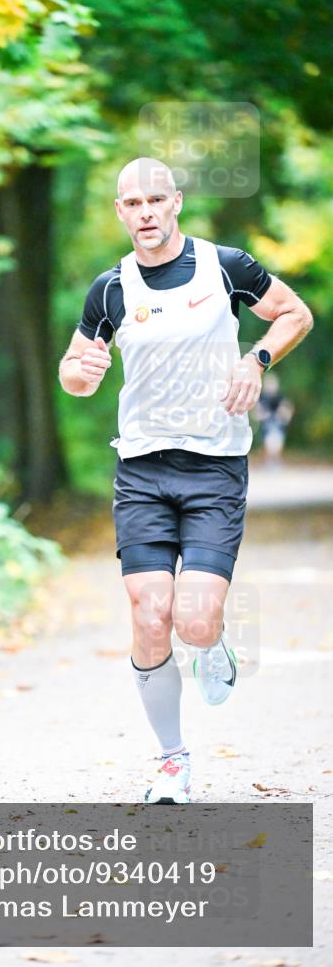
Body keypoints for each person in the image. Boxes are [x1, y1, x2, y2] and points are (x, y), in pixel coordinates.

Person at [58, 157, 314, 803]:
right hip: (142, 469)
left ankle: (211, 642)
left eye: (155, 200)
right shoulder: (110, 289)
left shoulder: (223, 266)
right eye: (132, 203)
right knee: (150, 614)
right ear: (120, 212)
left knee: (193, 621)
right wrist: (82, 373)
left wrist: (256, 359)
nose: (144, 212)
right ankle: (172, 761)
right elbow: (74, 371)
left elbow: (294, 314)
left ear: (174, 202)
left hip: (213, 467)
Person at [252, 372, 294, 466]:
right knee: (268, 441)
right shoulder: (261, 398)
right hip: (266, 427)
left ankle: (275, 460)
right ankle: (269, 461)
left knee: (276, 441)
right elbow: (257, 414)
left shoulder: (281, 398)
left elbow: (287, 413)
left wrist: (282, 415)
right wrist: (263, 415)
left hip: (278, 426)